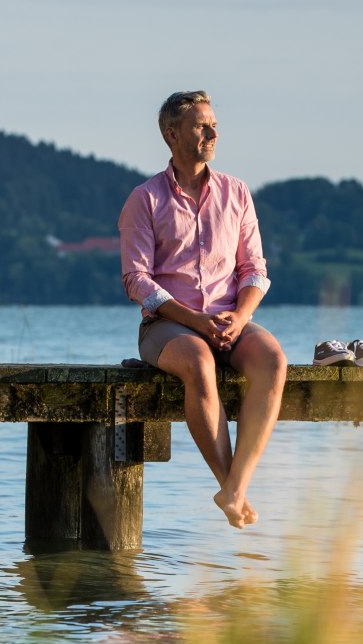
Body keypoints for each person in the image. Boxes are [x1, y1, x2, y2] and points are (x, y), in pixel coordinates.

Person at [119, 90, 287, 529]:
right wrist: (195, 321)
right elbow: (137, 280)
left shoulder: (237, 192)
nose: (212, 132)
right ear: (172, 135)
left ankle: (234, 490)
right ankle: (228, 483)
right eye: (201, 125)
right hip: (168, 327)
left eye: (214, 124)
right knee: (197, 360)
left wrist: (242, 316)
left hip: (231, 320)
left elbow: (255, 268)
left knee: (273, 360)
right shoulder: (145, 199)